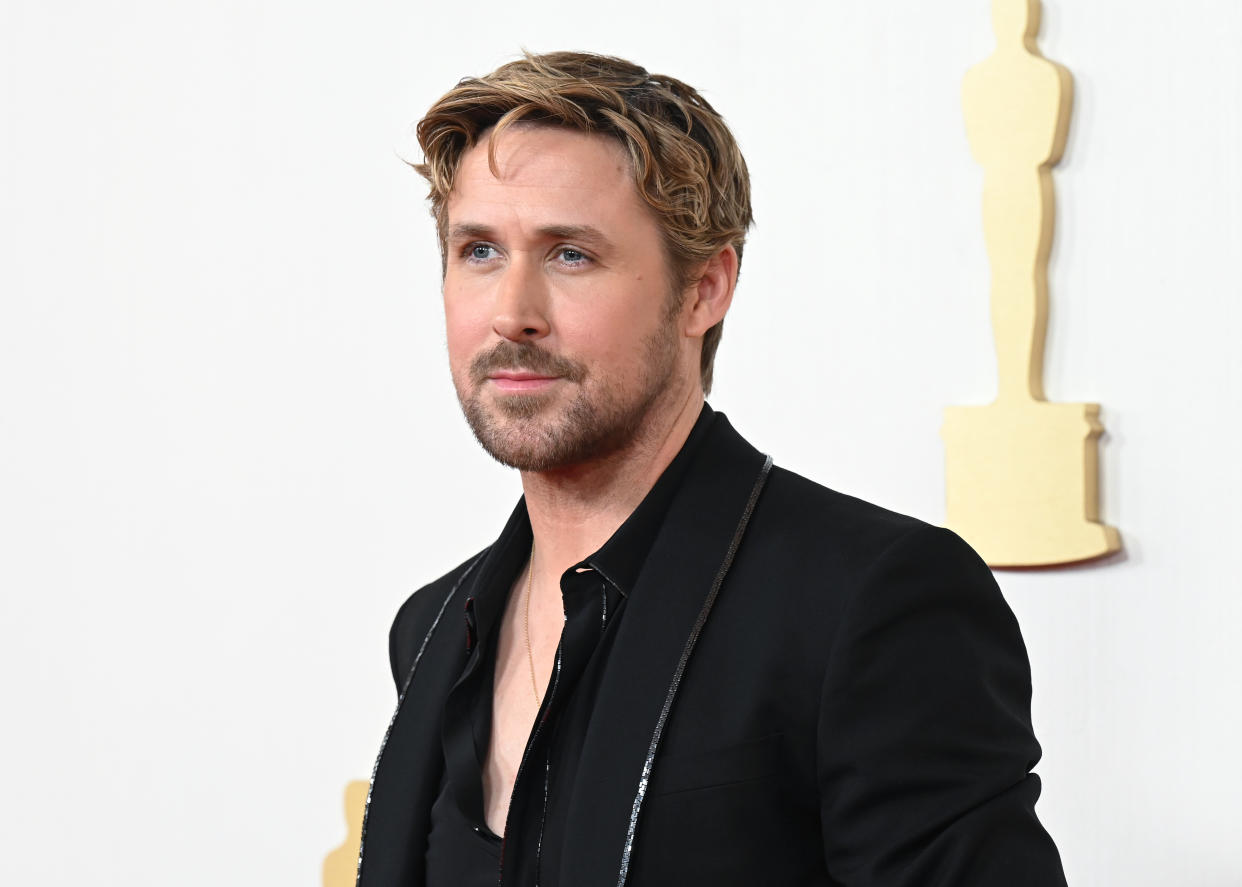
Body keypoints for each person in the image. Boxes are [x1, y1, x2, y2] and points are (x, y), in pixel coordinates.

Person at [356, 51, 1067, 887]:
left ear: (705, 287)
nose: (513, 312)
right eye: (478, 250)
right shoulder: (436, 627)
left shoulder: (869, 604)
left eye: (570, 255)